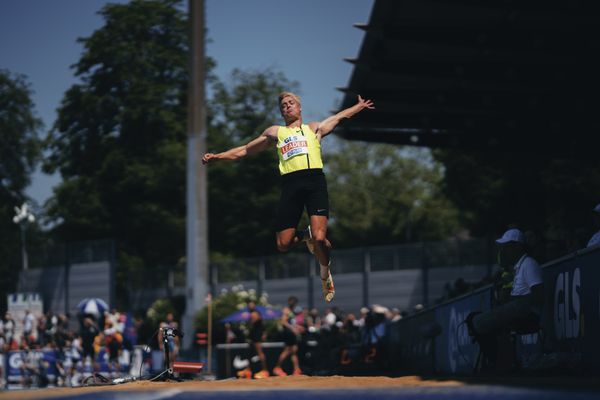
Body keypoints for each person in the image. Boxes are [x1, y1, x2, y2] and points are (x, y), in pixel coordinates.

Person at [202, 93, 375, 302]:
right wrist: (217, 157)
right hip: (290, 185)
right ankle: (305, 236)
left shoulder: (313, 128)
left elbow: (338, 117)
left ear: (299, 108)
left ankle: (324, 273)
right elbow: (245, 150)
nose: (287, 107)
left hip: (314, 182)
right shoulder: (276, 132)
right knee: (283, 244)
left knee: (321, 238)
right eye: (283, 105)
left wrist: (358, 106)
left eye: (291, 103)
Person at [466, 228, 544, 371]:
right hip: (516, 308)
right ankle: (498, 362)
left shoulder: (529, 264)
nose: (503, 251)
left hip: (527, 313)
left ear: (517, 247)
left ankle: (498, 363)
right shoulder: (517, 268)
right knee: (473, 318)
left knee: (476, 321)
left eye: (506, 247)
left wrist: (513, 300)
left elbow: (539, 295)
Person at [273, 296, 304, 376]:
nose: (293, 304)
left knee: (294, 351)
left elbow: (291, 323)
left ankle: (296, 369)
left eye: (294, 302)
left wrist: (298, 327)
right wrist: (293, 329)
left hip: (291, 333)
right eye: (292, 302)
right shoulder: (286, 310)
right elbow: (283, 322)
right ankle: (277, 367)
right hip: (288, 333)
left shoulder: (292, 311)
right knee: (287, 350)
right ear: (289, 302)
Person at [246, 300, 270, 379]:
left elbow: (252, 324)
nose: (250, 306)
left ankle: (265, 371)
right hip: (253, 336)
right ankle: (248, 370)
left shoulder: (254, 314)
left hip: (256, 336)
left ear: (254, 306)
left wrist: (263, 333)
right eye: (249, 305)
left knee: (260, 353)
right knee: (250, 353)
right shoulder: (254, 314)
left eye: (251, 305)